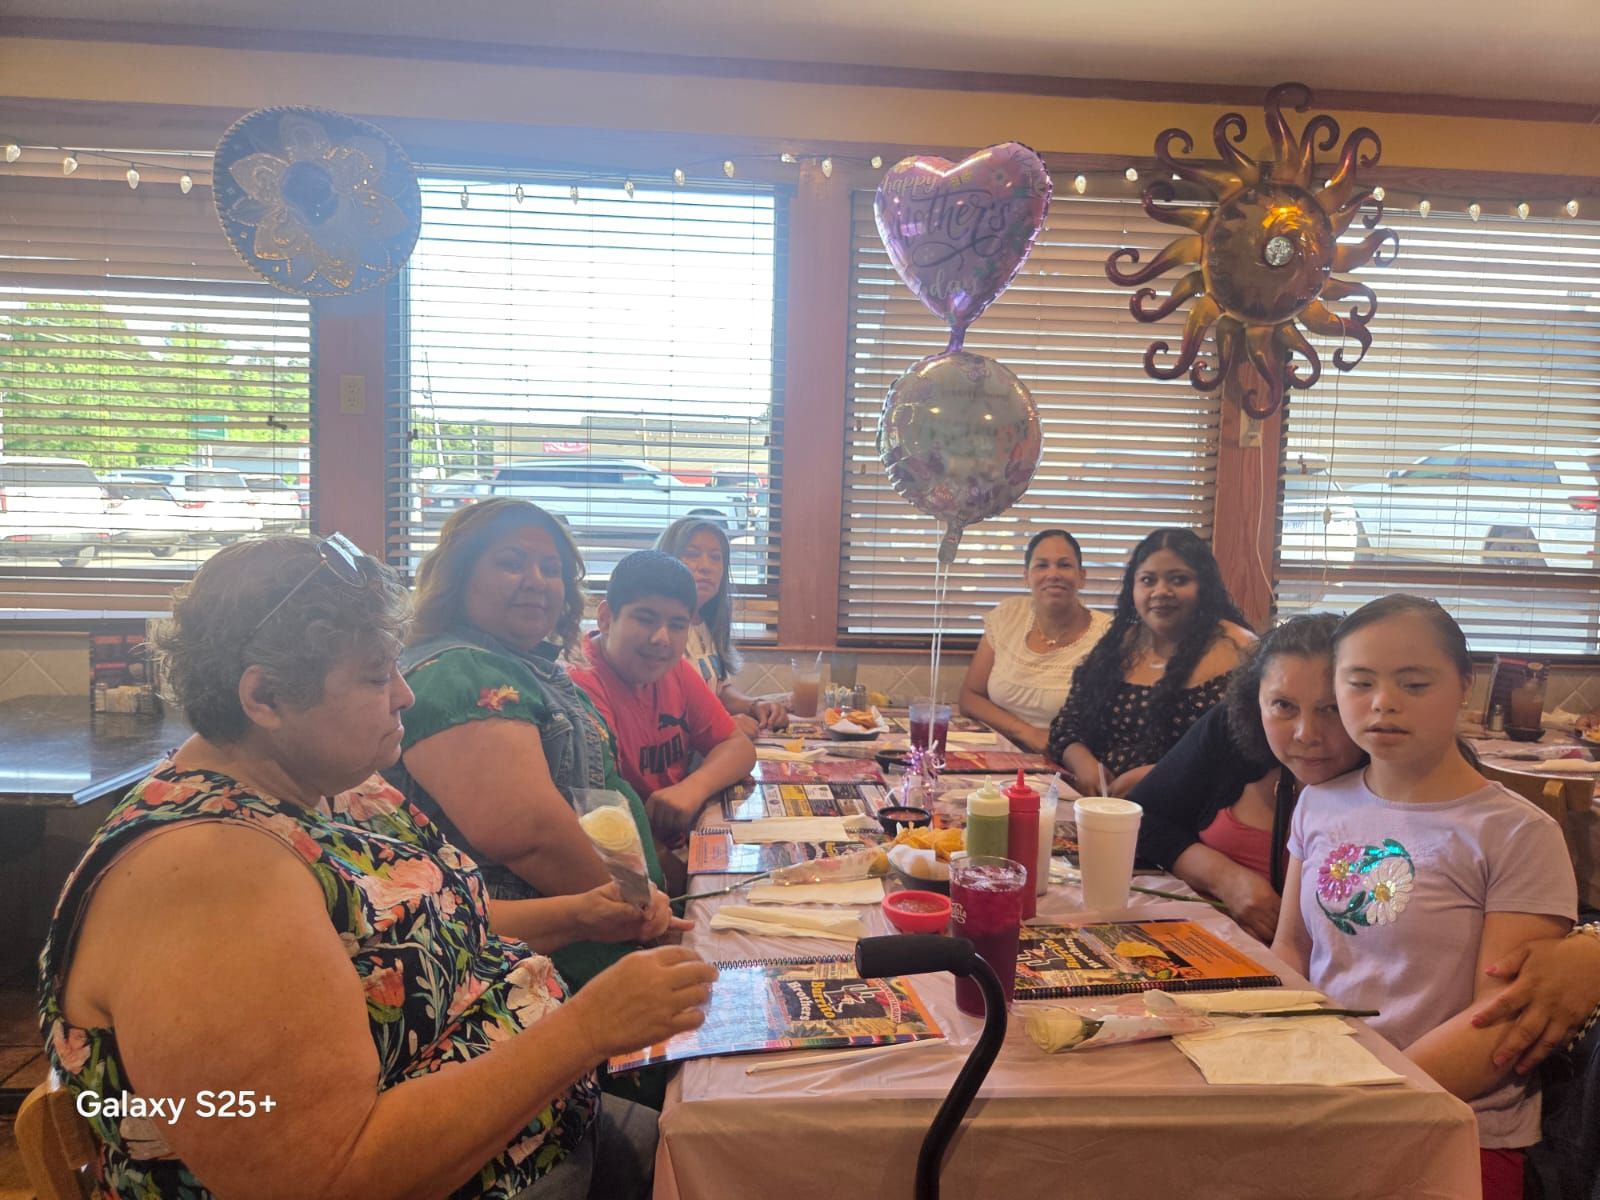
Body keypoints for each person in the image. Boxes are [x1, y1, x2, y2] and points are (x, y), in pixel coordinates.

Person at [39, 535, 716, 1200]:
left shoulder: (334, 785)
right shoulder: (208, 879)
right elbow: (320, 1177)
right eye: (374, 676)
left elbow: (426, 931)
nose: (405, 695)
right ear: (265, 697)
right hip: (505, 1176)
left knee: (733, 1142)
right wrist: (587, 1029)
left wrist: (578, 914)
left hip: (551, 1132)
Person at [1272, 594, 1576, 1200]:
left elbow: (1499, 1023)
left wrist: (1360, 1098)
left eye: (1414, 683)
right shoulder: (1319, 802)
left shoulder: (1516, 833)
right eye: (1360, 682)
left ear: (1465, 686)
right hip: (1320, 1098)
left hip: (1456, 1126)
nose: (1383, 702)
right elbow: (1292, 948)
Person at [386, 498, 668, 991]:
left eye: (551, 569)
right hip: (530, 976)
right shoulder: (460, 673)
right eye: (512, 563)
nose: (537, 580)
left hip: (597, 943)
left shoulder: (522, 665)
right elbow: (529, 833)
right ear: (459, 576)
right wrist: (640, 905)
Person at [1129, 614, 1365, 942]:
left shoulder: (1403, 780)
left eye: (1332, 708)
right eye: (1283, 705)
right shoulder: (1231, 730)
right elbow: (1135, 820)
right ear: (1255, 702)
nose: (1306, 734)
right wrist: (1225, 878)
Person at [569, 550, 757, 854]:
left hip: (677, 846)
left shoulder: (673, 669)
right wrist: (681, 875)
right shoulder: (580, 686)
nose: (662, 638)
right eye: (645, 619)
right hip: (628, 858)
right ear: (605, 618)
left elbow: (738, 746)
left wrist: (693, 787)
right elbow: (603, 828)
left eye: (677, 625)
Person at [1047, 527, 1253, 796]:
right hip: (1101, 805)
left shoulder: (1241, 650)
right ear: (1133, 588)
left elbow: (1247, 754)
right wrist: (1083, 763)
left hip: (1191, 808)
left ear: (1204, 586)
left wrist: (1160, 775)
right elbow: (1066, 725)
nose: (1161, 591)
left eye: (1179, 580)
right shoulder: (1118, 644)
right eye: (1148, 580)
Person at [958, 528, 1111, 754]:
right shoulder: (1008, 615)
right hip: (999, 757)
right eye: (1041, 565)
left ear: (1082, 577)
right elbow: (970, 697)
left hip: (1069, 761)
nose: (1053, 574)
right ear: (1026, 577)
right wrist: (1027, 733)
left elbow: (1110, 725)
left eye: (1064, 565)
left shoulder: (1108, 635)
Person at [654, 516, 787, 738]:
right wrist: (721, 726)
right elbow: (657, 714)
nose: (706, 566)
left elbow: (718, 690)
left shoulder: (706, 624)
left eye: (716, 557)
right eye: (692, 554)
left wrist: (754, 705)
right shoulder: (657, 634)